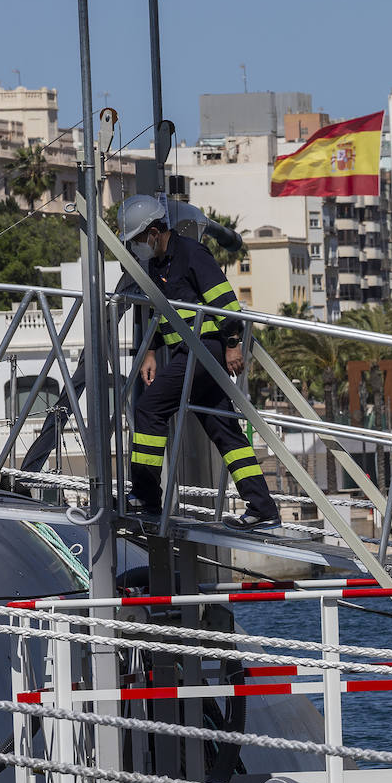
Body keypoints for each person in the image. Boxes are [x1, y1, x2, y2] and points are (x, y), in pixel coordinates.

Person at [119, 194, 281, 531]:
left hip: (205, 350)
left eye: (137, 239)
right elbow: (163, 314)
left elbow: (225, 304)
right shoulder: (156, 266)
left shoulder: (192, 254)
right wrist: (150, 352)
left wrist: (233, 345)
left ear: (154, 232)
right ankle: (263, 507)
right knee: (224, 430)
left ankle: (146, 496)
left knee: (149, 409)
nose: (136, 246)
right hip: (188, 354)